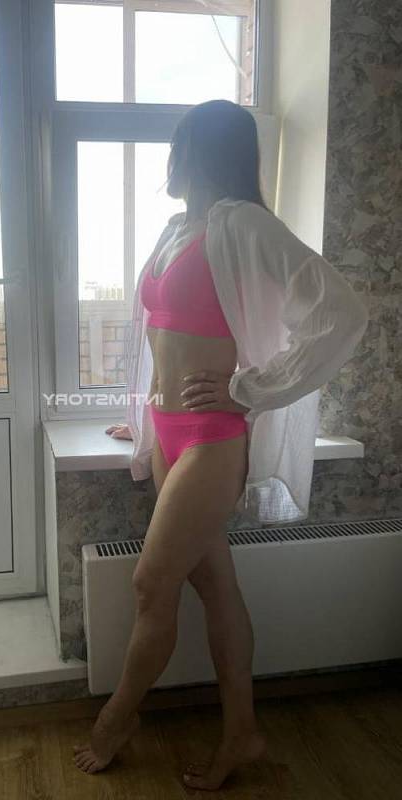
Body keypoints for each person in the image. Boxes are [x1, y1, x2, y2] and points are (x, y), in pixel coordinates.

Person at [72, 99, 369, 790]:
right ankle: (243, 734)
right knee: (215, 586)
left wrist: (249, 389)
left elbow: (340, 313)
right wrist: (144, 418)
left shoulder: (242, 223)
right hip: (171, 430)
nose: (168, 161)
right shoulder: (177, 229)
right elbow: (159, 341)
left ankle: (116, 718)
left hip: (211, 437)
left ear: (201, 151)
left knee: (151, 585)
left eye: (177, 146)